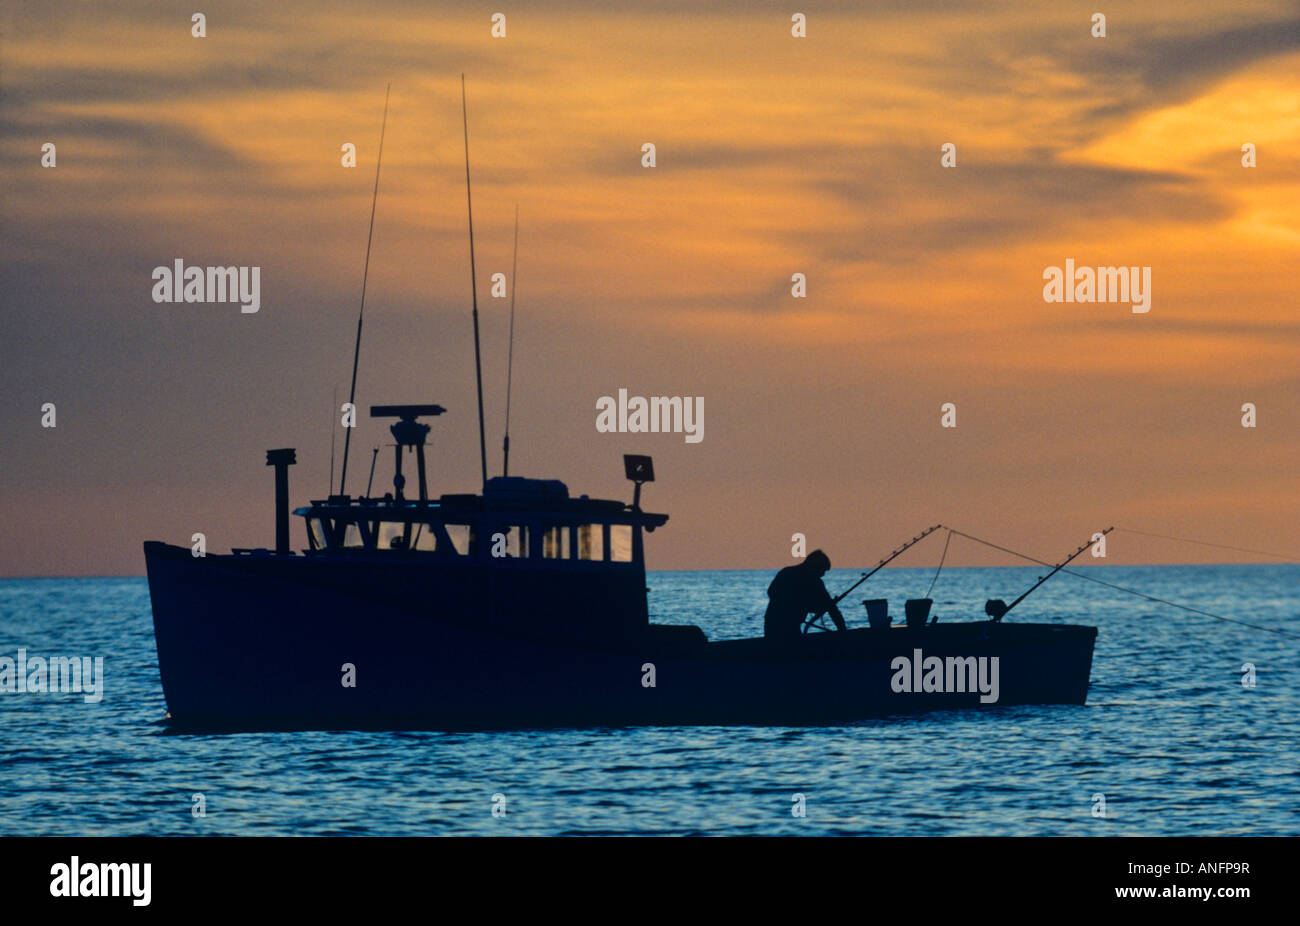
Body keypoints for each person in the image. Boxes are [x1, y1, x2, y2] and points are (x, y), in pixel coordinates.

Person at [763, 549, 847, 641]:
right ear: (814, 566)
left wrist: (842, 629)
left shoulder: (787, 572)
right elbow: (773, 593)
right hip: (775, 624)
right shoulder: (789, 574)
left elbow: (830, 607)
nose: (823, 574)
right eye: (822, 570)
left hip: (790, 625)